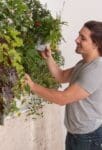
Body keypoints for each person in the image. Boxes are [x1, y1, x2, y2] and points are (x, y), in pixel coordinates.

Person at [24, 20, 102, 150]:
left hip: (88, 138)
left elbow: (63, 98)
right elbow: (61, 76)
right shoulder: (83, 64)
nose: (76, 40)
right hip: (76, 135)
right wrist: (49, 58)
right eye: (79, 35)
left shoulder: (96, 69)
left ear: (95, 44)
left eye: (82, 38)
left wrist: (32, 86)